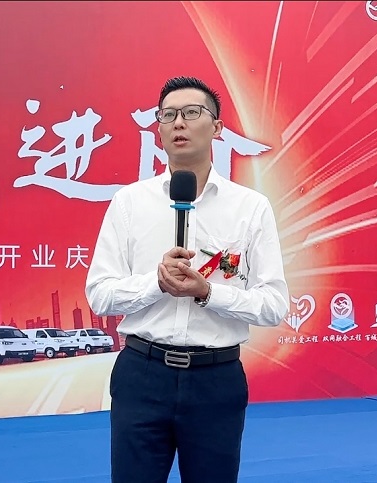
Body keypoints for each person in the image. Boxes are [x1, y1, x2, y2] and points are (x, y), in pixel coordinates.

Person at [85, 76, 289, 483]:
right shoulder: (129, 203)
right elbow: (100, 295)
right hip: (142, 375)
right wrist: (156, 283)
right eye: (168, 115)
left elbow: (273, 305)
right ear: (159, 129)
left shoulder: (250, 207)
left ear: (217, 127)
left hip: (216, 379)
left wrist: (209, 292)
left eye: (192, 113)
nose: (178, 123)